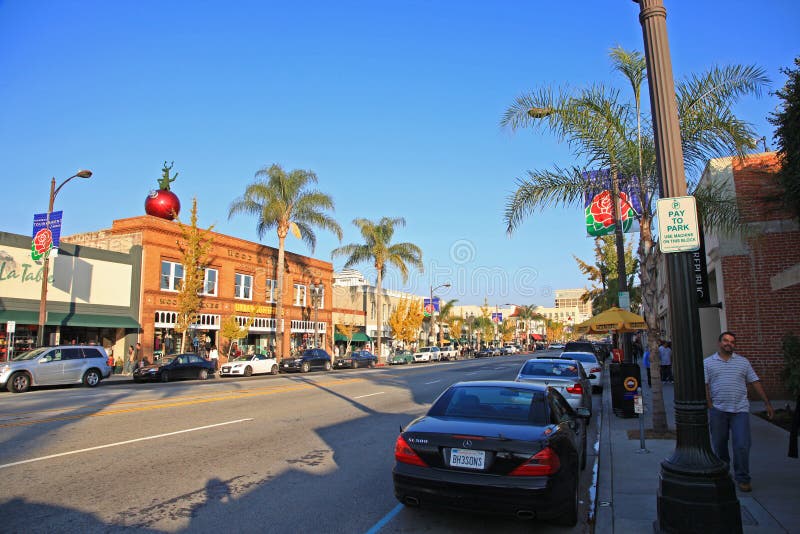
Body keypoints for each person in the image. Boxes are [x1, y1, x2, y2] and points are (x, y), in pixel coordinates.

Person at [704, 331, 774, 493]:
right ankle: (723, 473)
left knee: (742, 445)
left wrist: (767, 403)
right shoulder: (708, 363)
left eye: (732, 342)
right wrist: (710, 405)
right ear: (719, 343)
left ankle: (742, 477)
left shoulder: (743, 362)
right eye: (726, 341)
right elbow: (705, 385)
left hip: (740, 410)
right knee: (720, 445)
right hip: (718, 411)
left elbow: (754, 381)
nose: (729, 343)